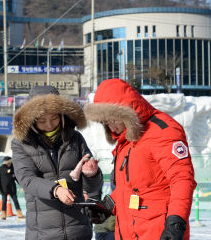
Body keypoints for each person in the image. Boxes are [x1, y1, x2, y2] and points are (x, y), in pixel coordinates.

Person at [84, 78, 197, 240]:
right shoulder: (127, 140)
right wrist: (108, 205)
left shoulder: (162, 131)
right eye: (106, 122)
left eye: (112, 120)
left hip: (159, 231)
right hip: (130, 231)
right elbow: (132, 187)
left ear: (124, 111)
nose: (111, 127)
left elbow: (182, 179)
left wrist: (176, 222)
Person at [11, 85, 103, 240]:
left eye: (54, 118)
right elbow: (26, 179)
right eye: (42, 121)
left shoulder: (75, 138)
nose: (49, 125)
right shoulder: (21, 143)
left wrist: (91, 174)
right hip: (43, 232)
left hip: (78, 229)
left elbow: (92, 188)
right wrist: (56, 190)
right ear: (32, 120)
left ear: (62, 115)